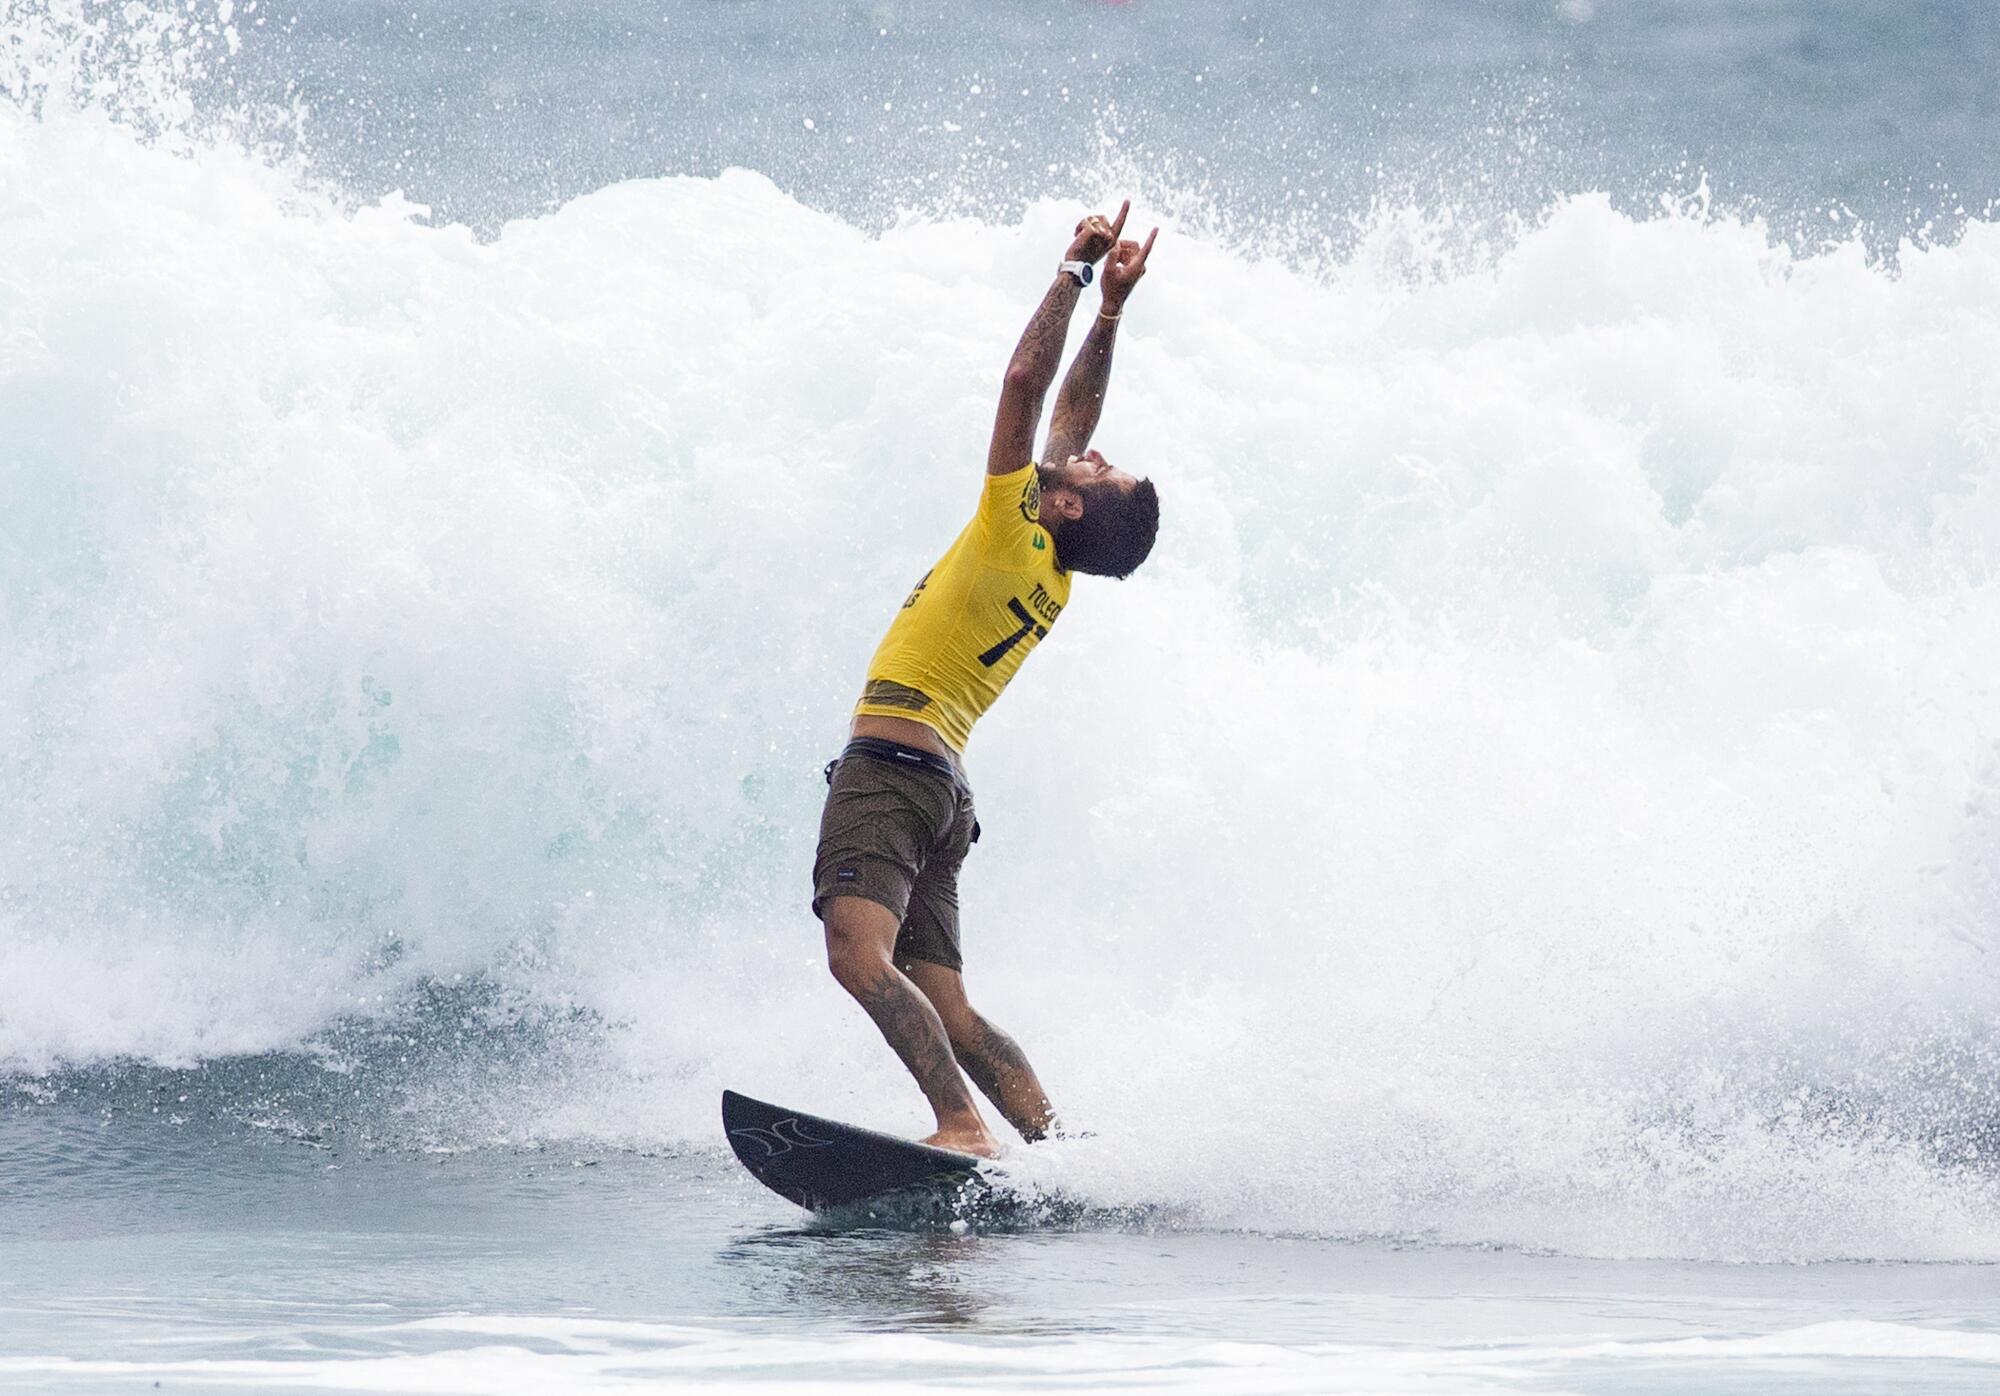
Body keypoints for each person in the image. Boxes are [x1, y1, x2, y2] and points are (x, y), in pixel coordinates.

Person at [811, 201, 1162, 1158]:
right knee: (954, 1008)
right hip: (943, 791)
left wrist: (1074, 270)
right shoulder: (1053, 568)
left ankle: (963, 1126)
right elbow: (1071, 415)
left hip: (891, 769)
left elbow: (1023, 383)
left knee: (857, 958)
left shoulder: (1017, 530)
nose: (1089, 451)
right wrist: (1114, 317)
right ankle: (1058, 1154)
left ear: (1062, 507)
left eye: (1098, 470)